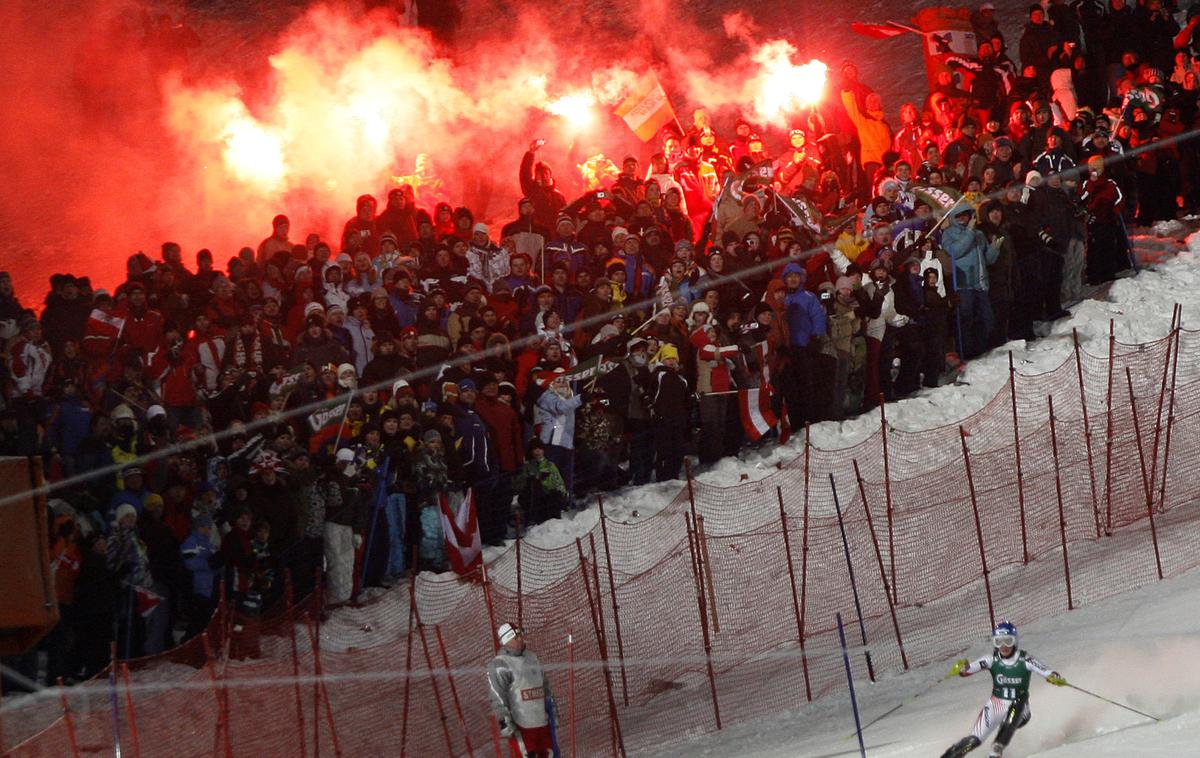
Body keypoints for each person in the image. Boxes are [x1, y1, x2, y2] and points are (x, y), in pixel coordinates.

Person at [939, 622, 1067, 757]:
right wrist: (962, 668)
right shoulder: (991, 660)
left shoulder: (1025, 659)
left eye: (1008, 641)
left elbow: (1046, 671)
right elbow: (968, 669)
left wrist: (1054, 677)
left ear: (1015, 641)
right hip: (996, 705)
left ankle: (997, 747)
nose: (1004, 646)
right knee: (973, 740)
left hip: (1020, 710)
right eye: (999, 642)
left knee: (1017, 703)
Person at [488, 623, 555, 758]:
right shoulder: (500, 664)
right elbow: (498, 697)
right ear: (507, 640)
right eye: (516, 637)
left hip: (542, 723)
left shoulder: (532, 657)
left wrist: (553, 710)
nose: (520, 639)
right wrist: (504, 721)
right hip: (522, 727)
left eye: (520, 635)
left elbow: (545, 687)